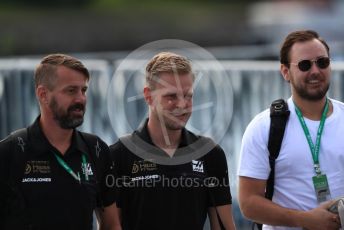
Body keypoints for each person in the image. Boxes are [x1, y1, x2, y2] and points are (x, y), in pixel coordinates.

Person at [110, 52, 236, 230]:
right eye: (171, 96)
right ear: (148, 96)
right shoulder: (119, 155)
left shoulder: (210, 153)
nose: (182, 105)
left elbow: (224, 227)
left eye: (188, 96)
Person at [0, 54, 121, 230]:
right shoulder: (10, 152)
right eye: (71, 91)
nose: (81, 99)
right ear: (43, 95)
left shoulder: (96, 149)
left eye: (83, 90)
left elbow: (112, 225)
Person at [238, 30, 344, 230]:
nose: (315, 71)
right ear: (285, 72)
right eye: (305, 65)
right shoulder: (264, 127)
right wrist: (304, 220)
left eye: (322, 62)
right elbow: (248, 204)